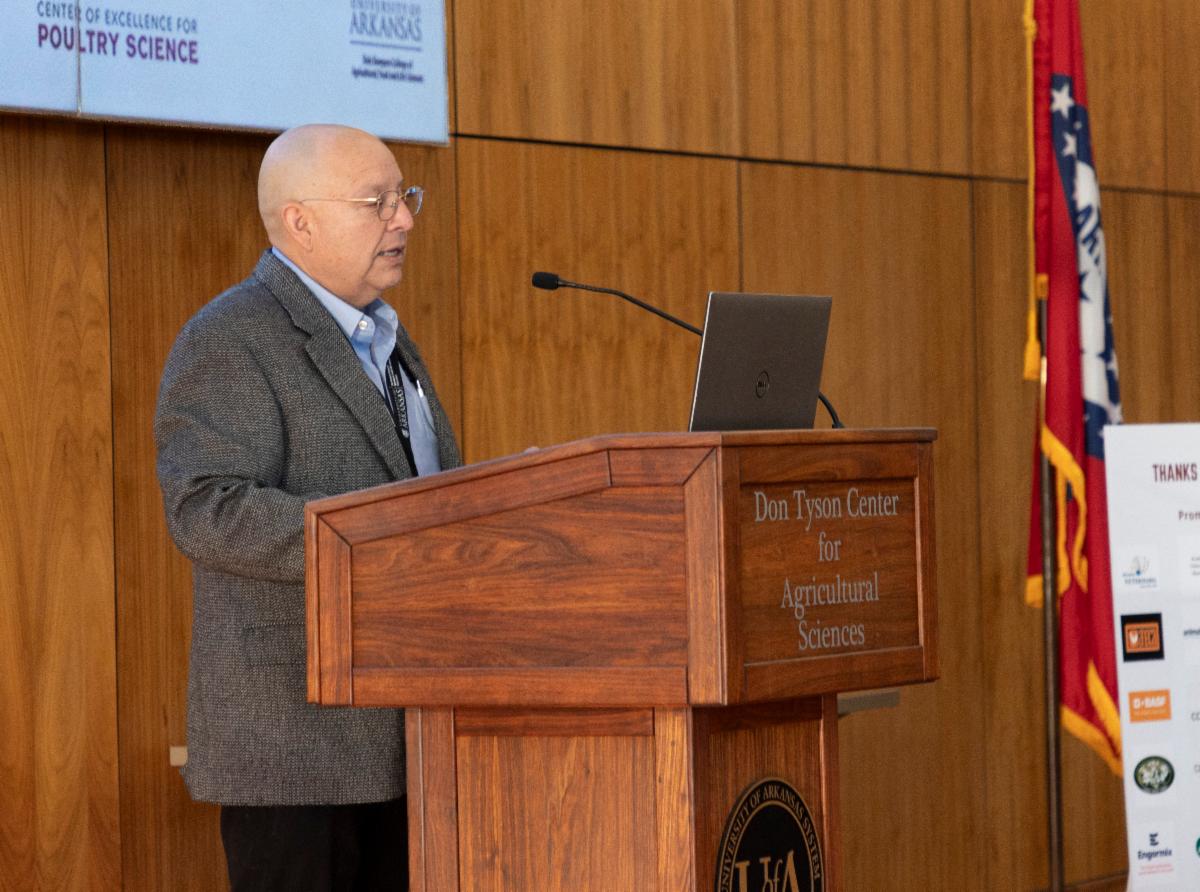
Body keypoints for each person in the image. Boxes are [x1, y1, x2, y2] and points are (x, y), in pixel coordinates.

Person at [155, 123, 460, 890]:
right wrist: (380, 535)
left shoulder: (388, 340)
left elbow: (419, 488)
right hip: (296, 750)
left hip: (409, 737)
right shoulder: (231, 337)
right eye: (378, 202)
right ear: (301, 221)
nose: (405, 220)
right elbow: (207, 508)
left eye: (405, 197)